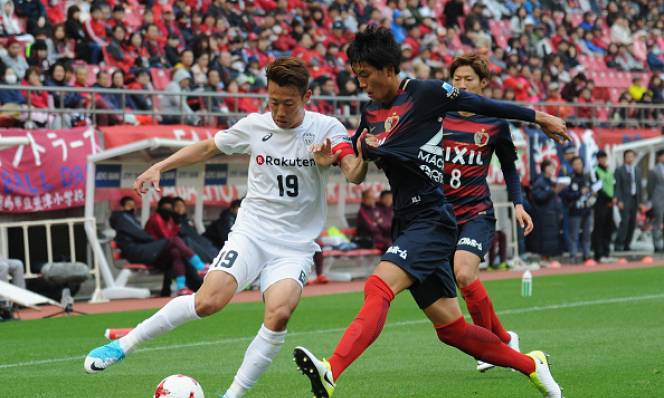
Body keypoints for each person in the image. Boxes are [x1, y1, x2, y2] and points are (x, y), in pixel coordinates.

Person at [293, 26, 566, 398]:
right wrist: (332, 162)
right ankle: (533, 365)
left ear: (388, 69)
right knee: (451, 330)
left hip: (434, 218)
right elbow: (357, 172)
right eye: (357, 77)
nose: (363, 84)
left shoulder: (426, 93)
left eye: (366, 75)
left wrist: (541, 117)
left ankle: (331, 369)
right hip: (407, 221)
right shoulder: (370, 110)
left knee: (378, 286)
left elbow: (487, 105)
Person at [84, 57, 366, 398]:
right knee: (208, 302)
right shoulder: (255, 126)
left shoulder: (327, 128)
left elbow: (354, 172)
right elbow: (206, 148)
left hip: (294, 246)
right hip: (252, 233)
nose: (279, 111)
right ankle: (124, 345)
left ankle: (231, 396)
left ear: (306, 97)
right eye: (273, 101)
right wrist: (161, 166)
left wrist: (336, 162)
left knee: (279, 313)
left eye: (288, 104)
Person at [441, 54, 534, 372]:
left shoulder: (495, 121)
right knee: (458, 284)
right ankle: (505, 338)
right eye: (457, 79)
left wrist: (518, 203)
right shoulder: (439, 114)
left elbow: (509, 165)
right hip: (440, 215)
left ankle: (489, 347)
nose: (462, 85)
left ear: (482, 84)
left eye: (468, 79)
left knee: (464, 273)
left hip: (477, 212)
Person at [109, 196, 203, 296]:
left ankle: (181, 287)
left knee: (175, 252)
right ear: (122, 207)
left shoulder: (131, 219)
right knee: (174, 241)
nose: (132, 208)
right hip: (137, 252)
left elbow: (143, 235)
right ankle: (200, 266)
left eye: (133, 206)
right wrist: (157, 243)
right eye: (129, 206)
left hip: (146, 250)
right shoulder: (123, 218)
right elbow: (143, 235)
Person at [560, 156, 595, 264]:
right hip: (575, 211)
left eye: (579, 163)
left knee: (587, 235)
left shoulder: (587, 177)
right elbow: (566, 196)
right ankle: (573, 256)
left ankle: (587, 255)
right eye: (575, 164)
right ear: (572, 166)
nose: (578, 166)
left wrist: (592, 193)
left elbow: (591, 191)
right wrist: (580, 192)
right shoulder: (569, 179)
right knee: (574, 235)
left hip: (587, 210)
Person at [530, 160, 564, 260]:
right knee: (545, 238)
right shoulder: (540, 181)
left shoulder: (552, 181)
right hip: (544, 215)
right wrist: (551, 191)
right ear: (544, 168)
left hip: (553, 214)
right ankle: (544, 258)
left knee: (552, 237)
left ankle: (549, 257)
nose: (552, 169)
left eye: (553, 167)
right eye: (550, 167)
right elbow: (538, 197)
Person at [614, 150, 641, 251]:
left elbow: (639, 186)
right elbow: (617, 187)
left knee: (632, 223)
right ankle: (619, 243)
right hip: (625, 199)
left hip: (635, 199)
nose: (630, 158)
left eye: (632, 156)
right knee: (624, 222)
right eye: (628, 156)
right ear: (624, 158)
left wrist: (641, 202)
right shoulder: (619, 170)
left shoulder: (637, 170)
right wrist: (619, 200)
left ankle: (627, 244)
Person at [592, 150, 616, 262]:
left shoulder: (609, 171)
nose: (603, 160)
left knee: (608, 228)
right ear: (598, 159)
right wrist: (610, 199)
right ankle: (599, 254)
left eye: (604, 157)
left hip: (610, 204)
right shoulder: (595, 171)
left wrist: (614, 198)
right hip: (601, 203)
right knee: (599, 229)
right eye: (601, 158)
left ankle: (607, 253)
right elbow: (598, 189)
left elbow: (613, 185)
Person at [647, 149, 664, 252]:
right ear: (659, 157)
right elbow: (650, 187)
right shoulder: (654, 171)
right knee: (657, 222)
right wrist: (651, 201)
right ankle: (657, 245)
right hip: (658, 200)